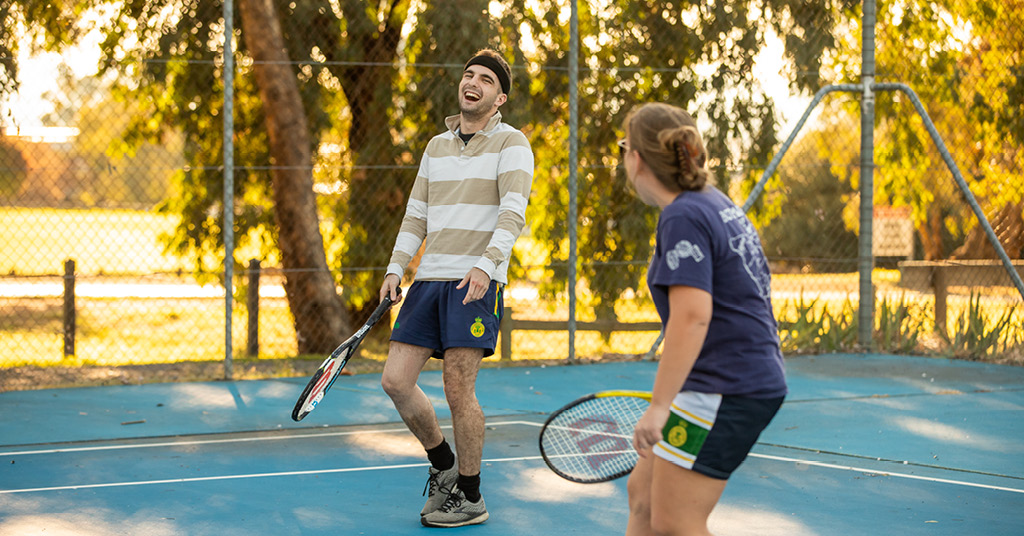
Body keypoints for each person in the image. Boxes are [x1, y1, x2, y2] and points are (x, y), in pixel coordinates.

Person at [378, 48, 533, 528]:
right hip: (429, 281)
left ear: (498, 97)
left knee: (457, 389)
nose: (474, 82)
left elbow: (512, 212)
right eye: (469, 74)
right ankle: (442, 464)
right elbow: (416, 215)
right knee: (395, 381)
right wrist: (395, 268)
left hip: (475, 282)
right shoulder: (435, 147)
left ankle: (471, 496)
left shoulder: (513, 144)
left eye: (486, 79)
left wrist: (487, 266)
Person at [618, 102, 787, 536]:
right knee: (644, 499)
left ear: (635, 158)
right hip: (731, 381)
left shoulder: (683, 215)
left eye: (623, 148)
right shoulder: (711, 203)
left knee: (676, 523)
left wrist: (659, 407)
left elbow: (693, 316)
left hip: (724, 389)